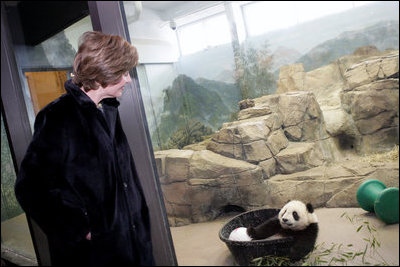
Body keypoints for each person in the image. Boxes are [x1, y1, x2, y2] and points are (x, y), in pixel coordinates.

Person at [15, 31, 155, 266]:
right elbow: (30, 188)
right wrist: (81, 230)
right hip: (94, 256)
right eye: (123, 73)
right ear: (102, 74)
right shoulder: (58, 117)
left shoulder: (108, 110)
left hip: (132, 246)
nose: (128, 79)